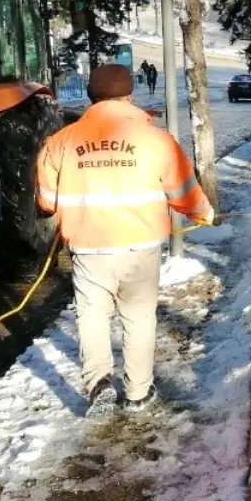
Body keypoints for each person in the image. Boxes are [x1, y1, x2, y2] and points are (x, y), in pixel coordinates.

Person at [36, 64, 214, 413]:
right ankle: (138, 394)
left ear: (90, 96)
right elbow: (183, 190)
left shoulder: (59, 142)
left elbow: (45, 200)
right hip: (141, 247)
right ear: (129, 95)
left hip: (88, 248)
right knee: (138, 318)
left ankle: (99, 381)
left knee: (91, 315)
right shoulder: (155, 139)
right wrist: (202, 213)